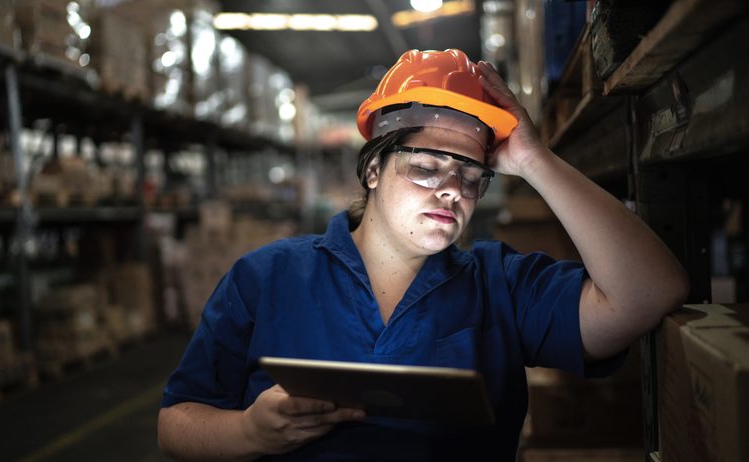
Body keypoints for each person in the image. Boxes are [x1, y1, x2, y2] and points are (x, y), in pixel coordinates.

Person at [157, 49, 689, 461]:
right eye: (426, 167)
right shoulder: (267, 277)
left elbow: (649, 292)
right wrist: (248, 433)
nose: (452, 190)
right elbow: (176, 424)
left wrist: (534, 159)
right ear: (372, 169)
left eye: (470, 175)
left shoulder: (499, 284)